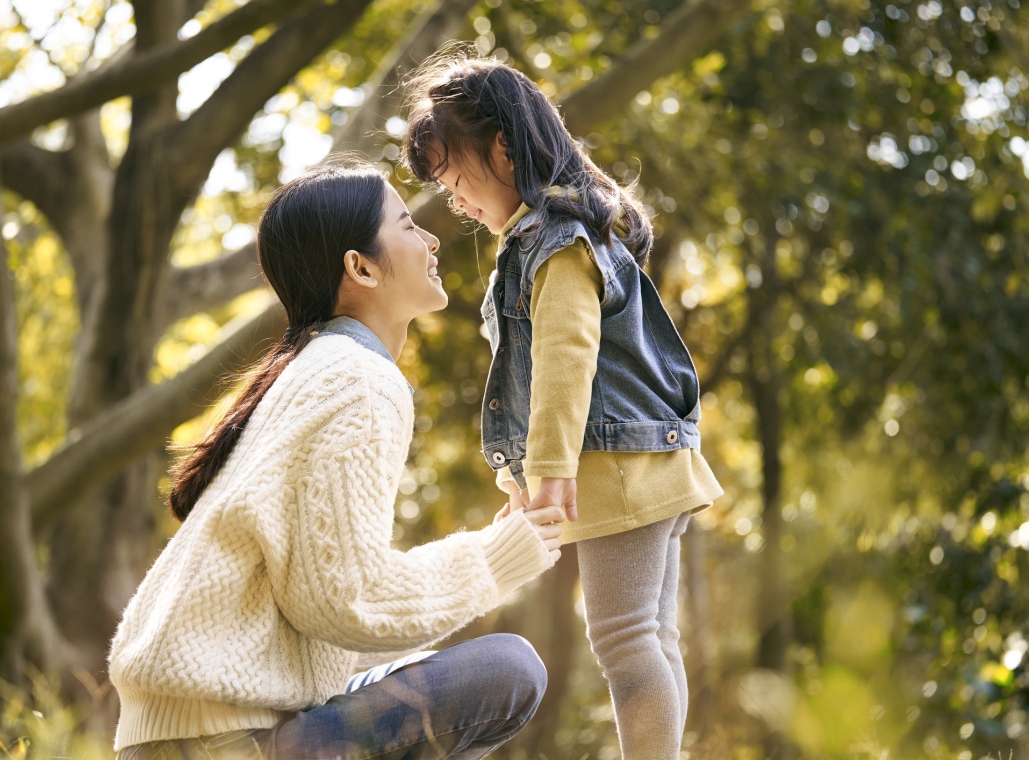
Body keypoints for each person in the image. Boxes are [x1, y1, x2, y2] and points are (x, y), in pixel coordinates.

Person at [107, 158, 566, 760]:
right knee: (508, 669)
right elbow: (343, 602)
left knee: (442, 670)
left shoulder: (312, 369)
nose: (430, 240)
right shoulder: (359, 380)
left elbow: (321, 610)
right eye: (407, 225)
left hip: (180, 732)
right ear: (361, 266)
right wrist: (497, 556)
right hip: (222, 742)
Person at [402, 51, 724, 760]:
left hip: (613, 467)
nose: (455, 201)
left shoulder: (556, 242)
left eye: (456, 179)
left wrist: (549, 474)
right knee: (651, 636)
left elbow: (564, 360)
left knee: (625, 641)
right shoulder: (564, 234)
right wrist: (520, 484)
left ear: (504, 148)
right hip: (646, 461)